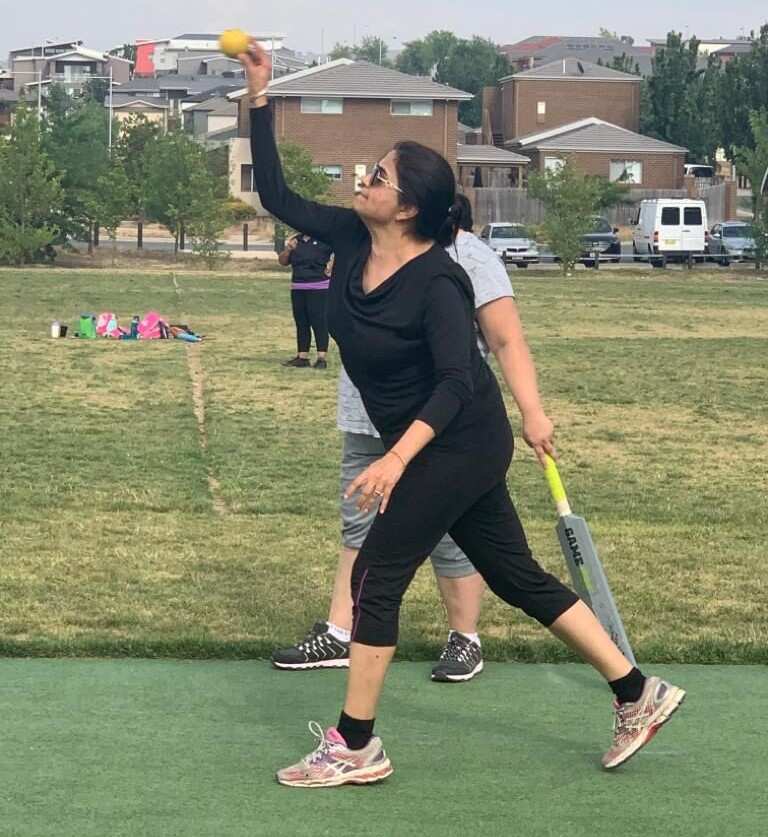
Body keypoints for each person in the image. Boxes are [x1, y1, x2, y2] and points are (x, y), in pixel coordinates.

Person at [239, 41, 685, 789]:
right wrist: (260, 95)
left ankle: (356, 744)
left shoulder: (440, 280)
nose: (363, 178)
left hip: (458, 438)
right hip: (436, 443)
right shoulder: (351, 239)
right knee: (513, 573)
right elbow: (278, 196)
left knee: (380, 571)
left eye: (376, 175)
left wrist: (395, 457)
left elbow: (454, 382)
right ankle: (639, 692)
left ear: (407, 204)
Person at [271, 195, 554, 684]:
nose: (367, 188)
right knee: (358, 527)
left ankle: (464, 638)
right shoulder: (365, 245)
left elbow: (506, 341)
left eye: (386, 181)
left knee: (452, 536)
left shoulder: (468, 259)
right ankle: (342, 631)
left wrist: (532, 412)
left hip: (438, 428)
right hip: (368, 419)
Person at [277, 232, 333, 369]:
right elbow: (283, 262)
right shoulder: (295, 241)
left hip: (319, 287)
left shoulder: (324, 239)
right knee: (302, 322)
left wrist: (332, 266)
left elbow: (343, 251)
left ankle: (321, 358)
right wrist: (288, 249)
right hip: (298, 287)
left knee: (319, 322)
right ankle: (302, 357)